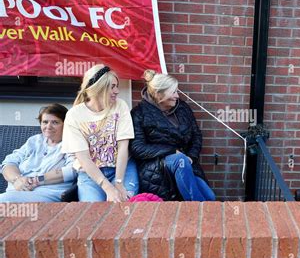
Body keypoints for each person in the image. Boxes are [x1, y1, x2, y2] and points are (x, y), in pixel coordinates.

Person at [130, 70, 215, 201]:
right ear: (159, 95)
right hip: (157, 166)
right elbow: (137, 148)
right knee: (179, 161)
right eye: (173, 92)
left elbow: (196, 135)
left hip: (187, 162)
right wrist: (171, 151)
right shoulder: (139, 113)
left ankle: (202, 210)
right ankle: (200, 210)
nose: (177, 96)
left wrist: (192, 156)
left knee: (210, 197)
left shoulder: (182, 108)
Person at [61, 64, 138, 202]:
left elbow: (123, 147)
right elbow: (83, 158)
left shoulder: (120, 106)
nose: (117, 91)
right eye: (112, 87)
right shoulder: (74, 115)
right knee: (94, 211)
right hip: (91, 174)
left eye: (117, 86)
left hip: (121, 169)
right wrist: (108, 188)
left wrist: (119, 183)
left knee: (124, 204)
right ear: (98, 89)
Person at [0, 104, 76, 202]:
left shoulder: (71, 144)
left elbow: (72, 170)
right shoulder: (34, 141)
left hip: (46, 192)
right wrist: (17, 179)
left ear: (65, 124)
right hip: (16, 191)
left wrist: (36, 180)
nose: (48, 126)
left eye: (55, 122)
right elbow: (9, 163)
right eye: (45, 122)